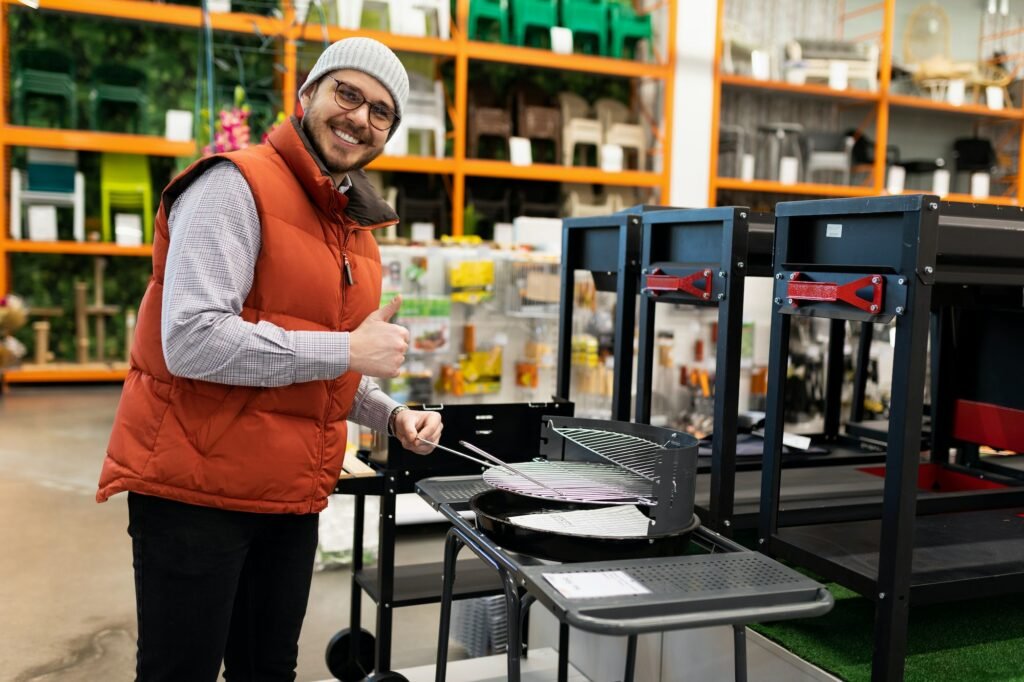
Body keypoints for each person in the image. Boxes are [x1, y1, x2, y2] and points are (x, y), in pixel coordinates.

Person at [96, 37, 443, 681]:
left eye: (381, 112)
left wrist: (389, 415)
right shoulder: (234, 185)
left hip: (288, 494)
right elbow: (195, 339)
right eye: (348, 93)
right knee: (180, 671)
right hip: (196, 490)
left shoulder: (353, 226)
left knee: (267, 670)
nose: (360, 117)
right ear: (307, 93)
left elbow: (318, 362)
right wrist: (348, 349)